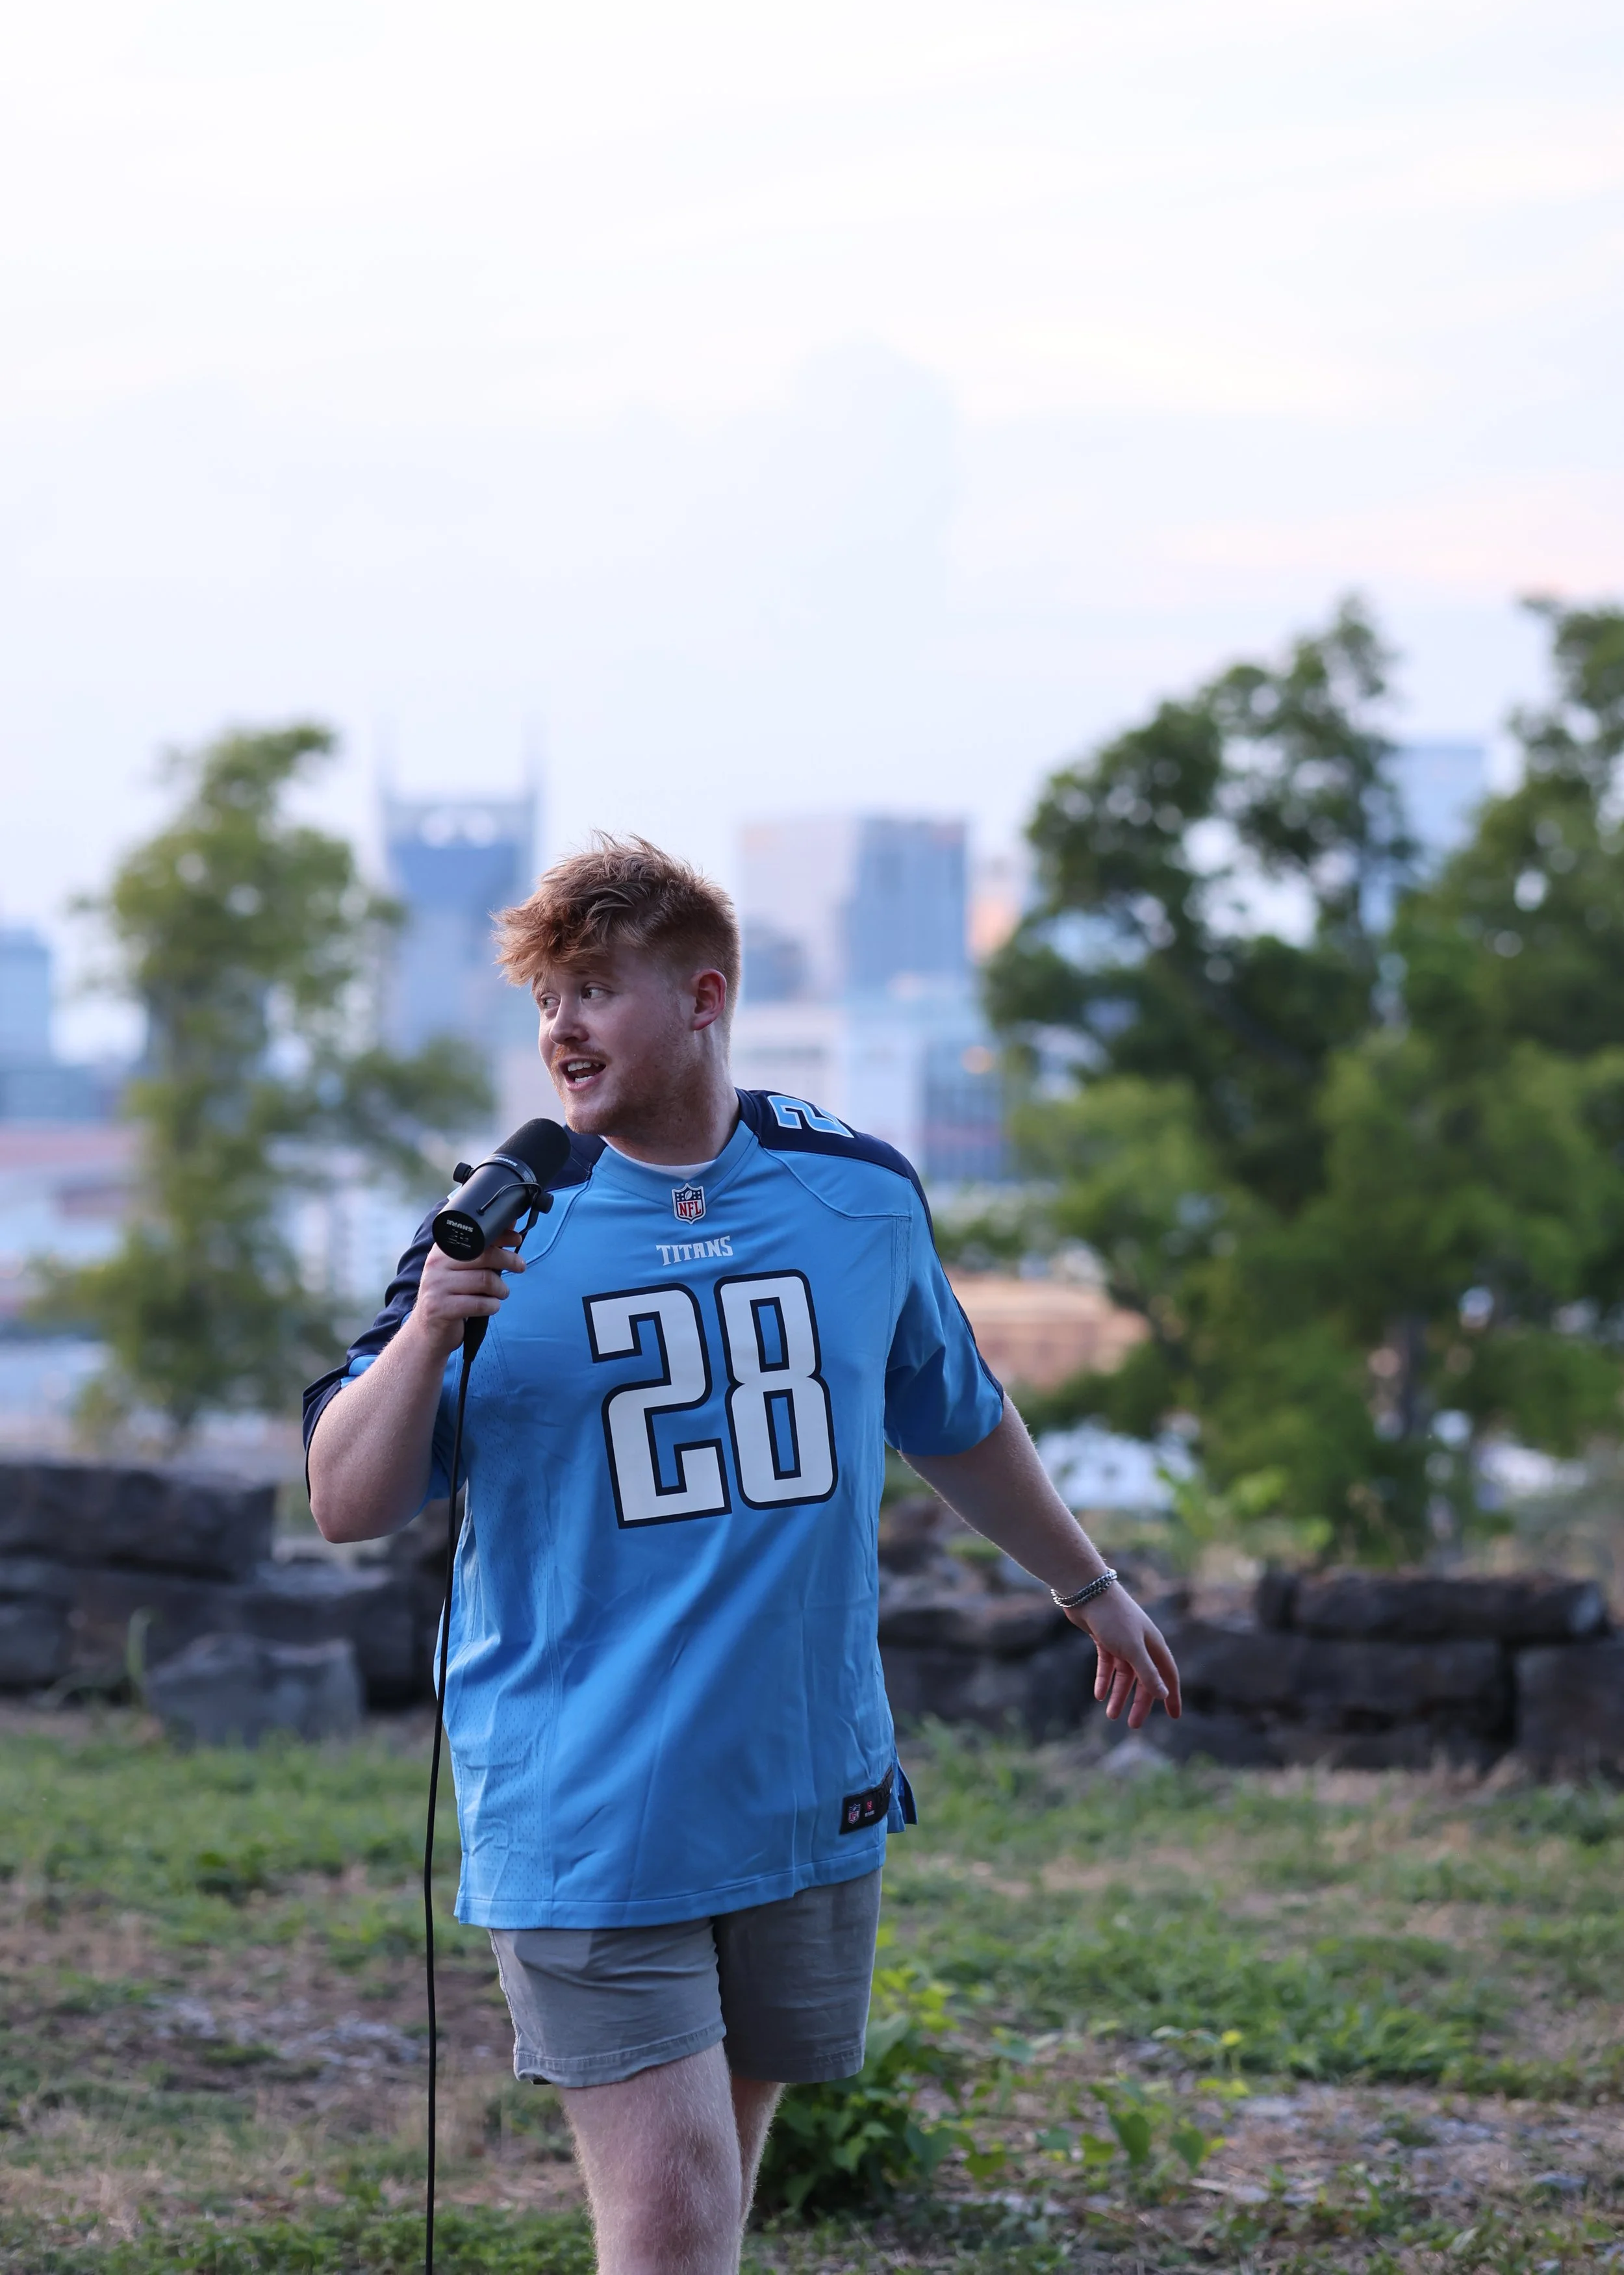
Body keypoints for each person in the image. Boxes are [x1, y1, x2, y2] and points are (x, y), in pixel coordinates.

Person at [305, 835, 1180, 2275]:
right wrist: (426, 1328)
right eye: (544, 1000)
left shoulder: (855, 1194)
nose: (560, 1030)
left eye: (593, 990)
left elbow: (952, 1414)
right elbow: (346, 1497)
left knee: (713, 2190)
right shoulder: (498, 1225)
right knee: (667, 2222)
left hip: (800, 1788)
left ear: (704, 997)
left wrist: (1085, 1587)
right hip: (587, 1804)